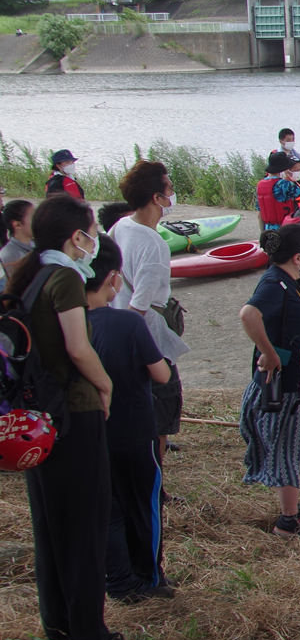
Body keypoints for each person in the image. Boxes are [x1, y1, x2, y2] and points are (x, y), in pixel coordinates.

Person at [4, 194, 139, 640]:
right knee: (85, 523)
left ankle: (59, 627)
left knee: (51, 522)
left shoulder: (29, 272)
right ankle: (90, 635)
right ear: (74, 235)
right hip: (71, 411)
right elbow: (79, 347)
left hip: (39, 414)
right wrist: (105, 387)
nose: (93, 240)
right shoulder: (63, 276)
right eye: (89, 231)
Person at [84, 236, 175, 603]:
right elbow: (161, 376)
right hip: (136, 432)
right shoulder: (127, 324)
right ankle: (149, 578)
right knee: (144, 507)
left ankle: (119, 582)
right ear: (113, 278)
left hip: (94, 433)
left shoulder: (70, 326)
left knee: (110, 510)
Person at [238, 225, 300, 538]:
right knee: (287, 448)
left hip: (291, 380)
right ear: (298, 257)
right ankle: (288, 521)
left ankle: (294, 508)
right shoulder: (275, 283)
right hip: (282, 385)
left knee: (293, 446)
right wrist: (269, 353)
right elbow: (249, 315)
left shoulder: (291, 281)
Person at [109, 161, 190, 471]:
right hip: (147, 339)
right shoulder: (155, 245)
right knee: (160, 417)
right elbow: (138, 309)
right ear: (157, 198)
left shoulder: (120, 226)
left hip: (120, 328)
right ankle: (154, 488)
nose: (173, 195)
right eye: (169, 189)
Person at [256, 151, 300, 232]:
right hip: (285, 228)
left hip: (268, 228)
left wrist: (262, 233)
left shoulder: (260, 185)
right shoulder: (285, 184)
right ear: (284, 169)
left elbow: (259, 214)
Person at [1, 197, 35, 273]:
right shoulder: (8, 256)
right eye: (33, 217)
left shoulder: (34, 244)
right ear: (17, 225)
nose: (38, 220)